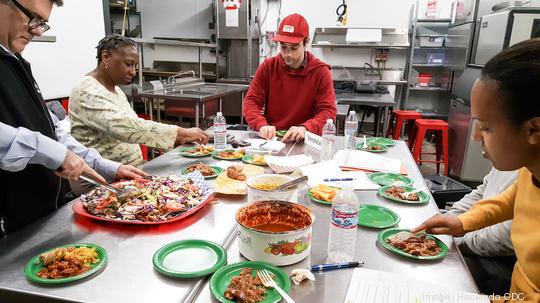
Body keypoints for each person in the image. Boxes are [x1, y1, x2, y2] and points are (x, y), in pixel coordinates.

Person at [0, 0, 145, 234]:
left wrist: (103, 165)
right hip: (8, 225)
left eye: (42, 24)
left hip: (41, 214)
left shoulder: (15, 61)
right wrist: (55, 153)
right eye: (33, 18)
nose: (36, 31)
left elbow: (52, 129)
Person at [412, 38, 540, 301]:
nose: (475, 137)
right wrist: (460, 223)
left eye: (487, 127)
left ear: (533, 129)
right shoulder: (530, 173)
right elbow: (508, 200)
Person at [69, 34, 209, 168]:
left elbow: (136, 128)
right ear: (105, 57)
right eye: (128, 64)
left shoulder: (116, 90)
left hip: (132, 168)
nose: (133, 72)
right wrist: (181, 133)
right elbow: (127, 127)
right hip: (104, 176)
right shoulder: (87, 90)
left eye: (135, 66)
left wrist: (178, 140)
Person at [242, 13, 337, 142]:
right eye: (283, 47)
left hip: (306, 140)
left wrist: (306, 128)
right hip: (272, 141)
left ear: (306, 43)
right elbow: (251, 102)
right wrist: (261, 124)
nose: (288, 54)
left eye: (294, 48)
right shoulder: (268, 67)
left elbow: (328, 111)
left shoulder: (320, 72)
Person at [446, 168, 517, 294]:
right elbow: (485, 194)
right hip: (478, 241)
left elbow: (502, 239)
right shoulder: (522, 172)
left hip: (505, 264)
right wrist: (453, 219)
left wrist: (453, 240)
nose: (481, 146)